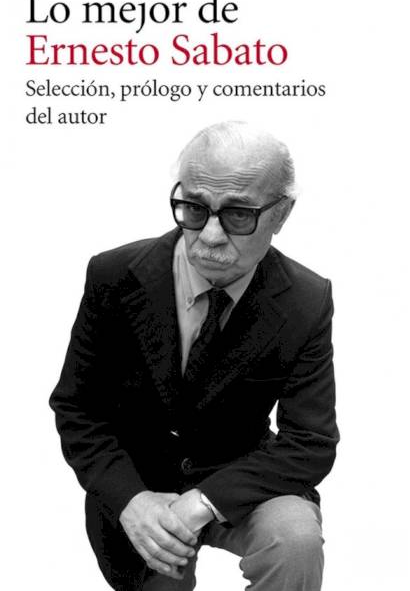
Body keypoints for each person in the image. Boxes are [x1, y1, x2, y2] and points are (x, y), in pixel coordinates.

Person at [50, 121, 339, 591]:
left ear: (281, 214)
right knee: (163, 575)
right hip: (140, 485)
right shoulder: (113, 276)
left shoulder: (306, 300)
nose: (210, 235)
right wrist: (131, 501)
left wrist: (205, 502)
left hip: (243, 481)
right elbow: (78, 408)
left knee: (295, 541)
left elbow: (310, 441)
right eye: (194, 207)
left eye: (238, 214)